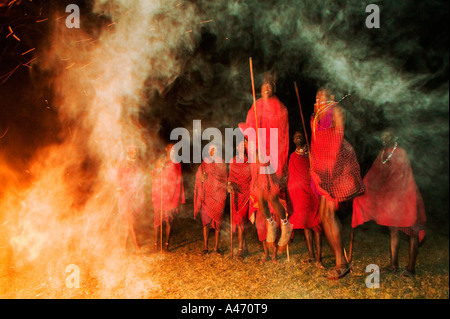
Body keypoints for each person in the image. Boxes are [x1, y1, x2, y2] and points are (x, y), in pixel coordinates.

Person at [352, 128, 426, 277]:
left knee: (413, 233)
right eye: (382, 136)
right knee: (393, 231)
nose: (384, 139)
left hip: (408, 197)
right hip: (393, 199)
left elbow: (401, 178)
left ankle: (411, 269)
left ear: (394, 137)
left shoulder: (401, 153)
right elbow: (374, 175)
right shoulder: (382, 154)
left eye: (388, 136)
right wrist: (361, 189)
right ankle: (393, 265)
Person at [310, 88, 365, 280]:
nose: (317, 98)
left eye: (321, 95)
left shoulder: (336, 112)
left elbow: (337, 138)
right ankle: (339, 260)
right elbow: (316, 143)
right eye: (316, 95)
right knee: (325, 215)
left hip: (336, 168)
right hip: (322, 169)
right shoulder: (315, 117)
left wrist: (329, 173)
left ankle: (341, 264)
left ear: (331, 98)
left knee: (329, 214)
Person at [239, 72, 292, 254]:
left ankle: (285, 224)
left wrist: (275, 159)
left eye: (269, 84)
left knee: (271, 196)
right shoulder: (256, 106)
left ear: (273, 88)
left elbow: (283, 137)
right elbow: (250, 128)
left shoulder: (281, 109)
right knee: (259, 196)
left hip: (272, 156)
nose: (266, 87)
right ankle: (271, 224)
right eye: (263, 84)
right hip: (258, 156)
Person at [287, 131, 323, 268]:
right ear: (293, 140)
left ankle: (320, 259)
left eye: (300, 135)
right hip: (300, 195)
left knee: (316, 225)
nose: (298, 137)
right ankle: (311, 256)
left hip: (313, 193)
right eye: (295, 136)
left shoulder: (312, 154)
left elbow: (318, 170)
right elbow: (291, 178)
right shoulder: (292, 157)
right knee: (306, 225)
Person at [194, 144, 228, 256]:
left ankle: (216, 247)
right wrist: (201, 179)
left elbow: (225, 178)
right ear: (209, 151)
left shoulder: (221, 163)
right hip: (207, 198)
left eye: (216, 149)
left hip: (219, 197)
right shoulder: (203, 165)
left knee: (218, 223)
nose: (215, 151)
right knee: (206, 224)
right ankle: (205, 247)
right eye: (212, 149)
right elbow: (198, 179)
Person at [152, 143, 185, 252]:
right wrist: (160, 168)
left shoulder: (177, 163)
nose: (172, 150)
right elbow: (154, 177)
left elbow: (178, 181)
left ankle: (166, 244)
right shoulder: (159, 161)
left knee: (169, 221)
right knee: (157, 221)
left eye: (174, 149)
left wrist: (176, 196)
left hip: (171, 196)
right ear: (166, 149)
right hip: (160, 195)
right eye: (170, 148)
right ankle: (156, 244)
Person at [116, 144, 145, 254]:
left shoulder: (137, 163)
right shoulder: (122, 161)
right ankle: (136, 246)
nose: (133, 151)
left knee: (127, 223)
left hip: (134, 195)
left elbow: (139, 178)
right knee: (130, 220)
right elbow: (118, 175)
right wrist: (118, 186)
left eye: (135, 149)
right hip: (124, 195)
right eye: (131, 149)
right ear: (128, 150)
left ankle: (123, 246)